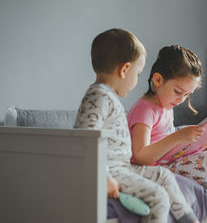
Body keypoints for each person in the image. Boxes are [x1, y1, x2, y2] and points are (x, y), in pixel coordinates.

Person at [74, 29, 199, 223]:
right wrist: (104, 177)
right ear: (125, 70)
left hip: (123, 167)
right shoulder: (98, 97)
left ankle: (186, 217)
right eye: (138, 73)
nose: (137, 80)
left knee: (164, 176)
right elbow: (85, 139)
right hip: (111, 169)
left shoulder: (107, 97)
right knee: (158, 196)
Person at [127, 45, 207, 223]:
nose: (181, 99)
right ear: (158, 80)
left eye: (187, 95)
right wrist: (178, 137)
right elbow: (140, 155)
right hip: (157, 172)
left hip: (172, 163)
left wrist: (206, 146)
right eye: (178, 92)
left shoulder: (166, 107)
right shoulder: (145, 109)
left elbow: (174, 148)